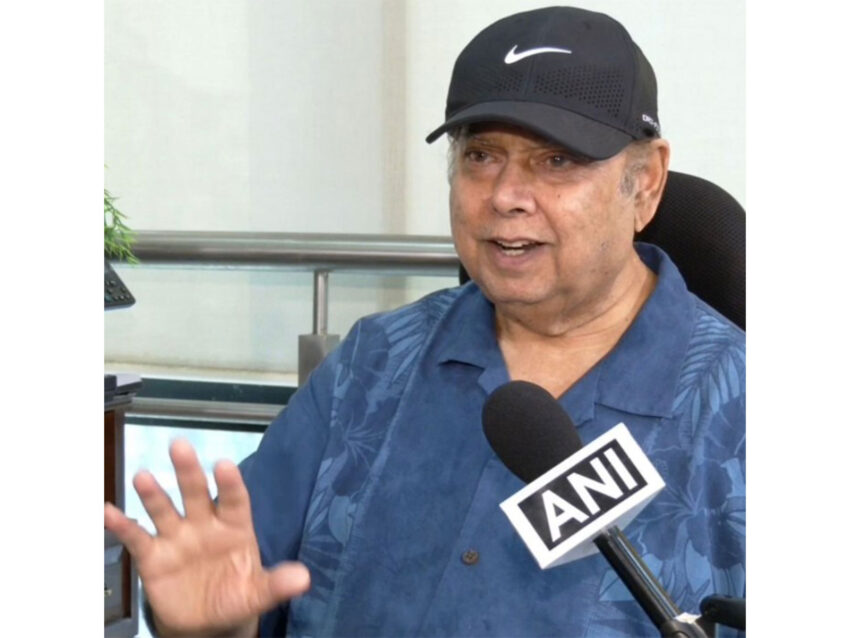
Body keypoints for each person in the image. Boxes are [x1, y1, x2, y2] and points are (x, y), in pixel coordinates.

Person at [104, 6, 745, 637]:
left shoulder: (741, 411)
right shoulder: (374, 363)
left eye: (556, 161)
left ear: (645, 182)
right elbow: (232, 586)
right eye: (481, 156)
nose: (505, 195)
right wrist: (211, 627)